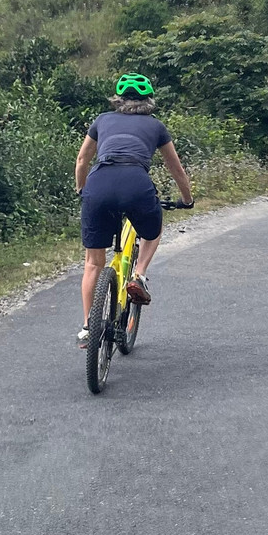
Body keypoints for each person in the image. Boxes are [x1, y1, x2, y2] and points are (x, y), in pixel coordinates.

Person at [74, 73, 193, 348]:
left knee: (93, 263)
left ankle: (88, 327)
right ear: (149, 101)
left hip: (99, 184)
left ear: (118, 100)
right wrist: (187, 199)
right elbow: (176, 169)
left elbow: (82, 160)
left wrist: (82, 189)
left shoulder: (102, 120)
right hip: (135, 185)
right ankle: (138, 274)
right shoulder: (156, 126)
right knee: (152, 231)